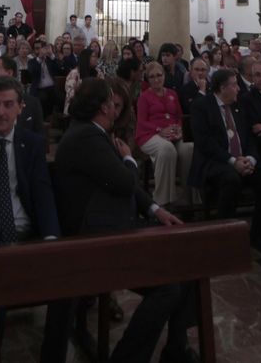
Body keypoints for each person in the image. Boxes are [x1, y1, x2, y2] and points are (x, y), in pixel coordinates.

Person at [54, 78, 194, 363]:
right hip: (99, 241)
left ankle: (176, 348)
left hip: (116, 228)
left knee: (188, 262)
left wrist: (155, 208)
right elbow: (123, 181)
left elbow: (124, 186)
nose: (114, 110)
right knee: (169, 286)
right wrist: (129, 159)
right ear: (102, 107)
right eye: (110, 103)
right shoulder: (87, 137)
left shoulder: (94, 133)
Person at [0, 77, 67, 363]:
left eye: (8, 105)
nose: (1, 112)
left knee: (66, 290)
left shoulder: (32, 143)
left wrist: (51, 240)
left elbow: (42, 194)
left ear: (20, 107)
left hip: (27, 238)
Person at [189, 68, 261, 254]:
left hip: (244, 160)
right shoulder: (201, 106)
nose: (239, 89)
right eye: (234, 85)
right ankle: (224, 239)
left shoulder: (239, 105)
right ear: (223, 88)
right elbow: (205, 142)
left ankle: (258, 236)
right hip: (216, 161)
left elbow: (249, 137)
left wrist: (250, 159)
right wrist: (233, 161)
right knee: (231, 180)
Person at [135, 61, 191, 206]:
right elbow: (141, 122)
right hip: (149, 134)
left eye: (159, 75)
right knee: (167, 149)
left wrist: (179, 128)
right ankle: (163, 200)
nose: (156, 79)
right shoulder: (144, 97)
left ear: (164, 76)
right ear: (148, 79)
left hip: (173, 133)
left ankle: (190, 197)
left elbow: (179, 116)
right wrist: (160, 130)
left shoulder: (172, 94)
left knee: (189, 148)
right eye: (152, 77)